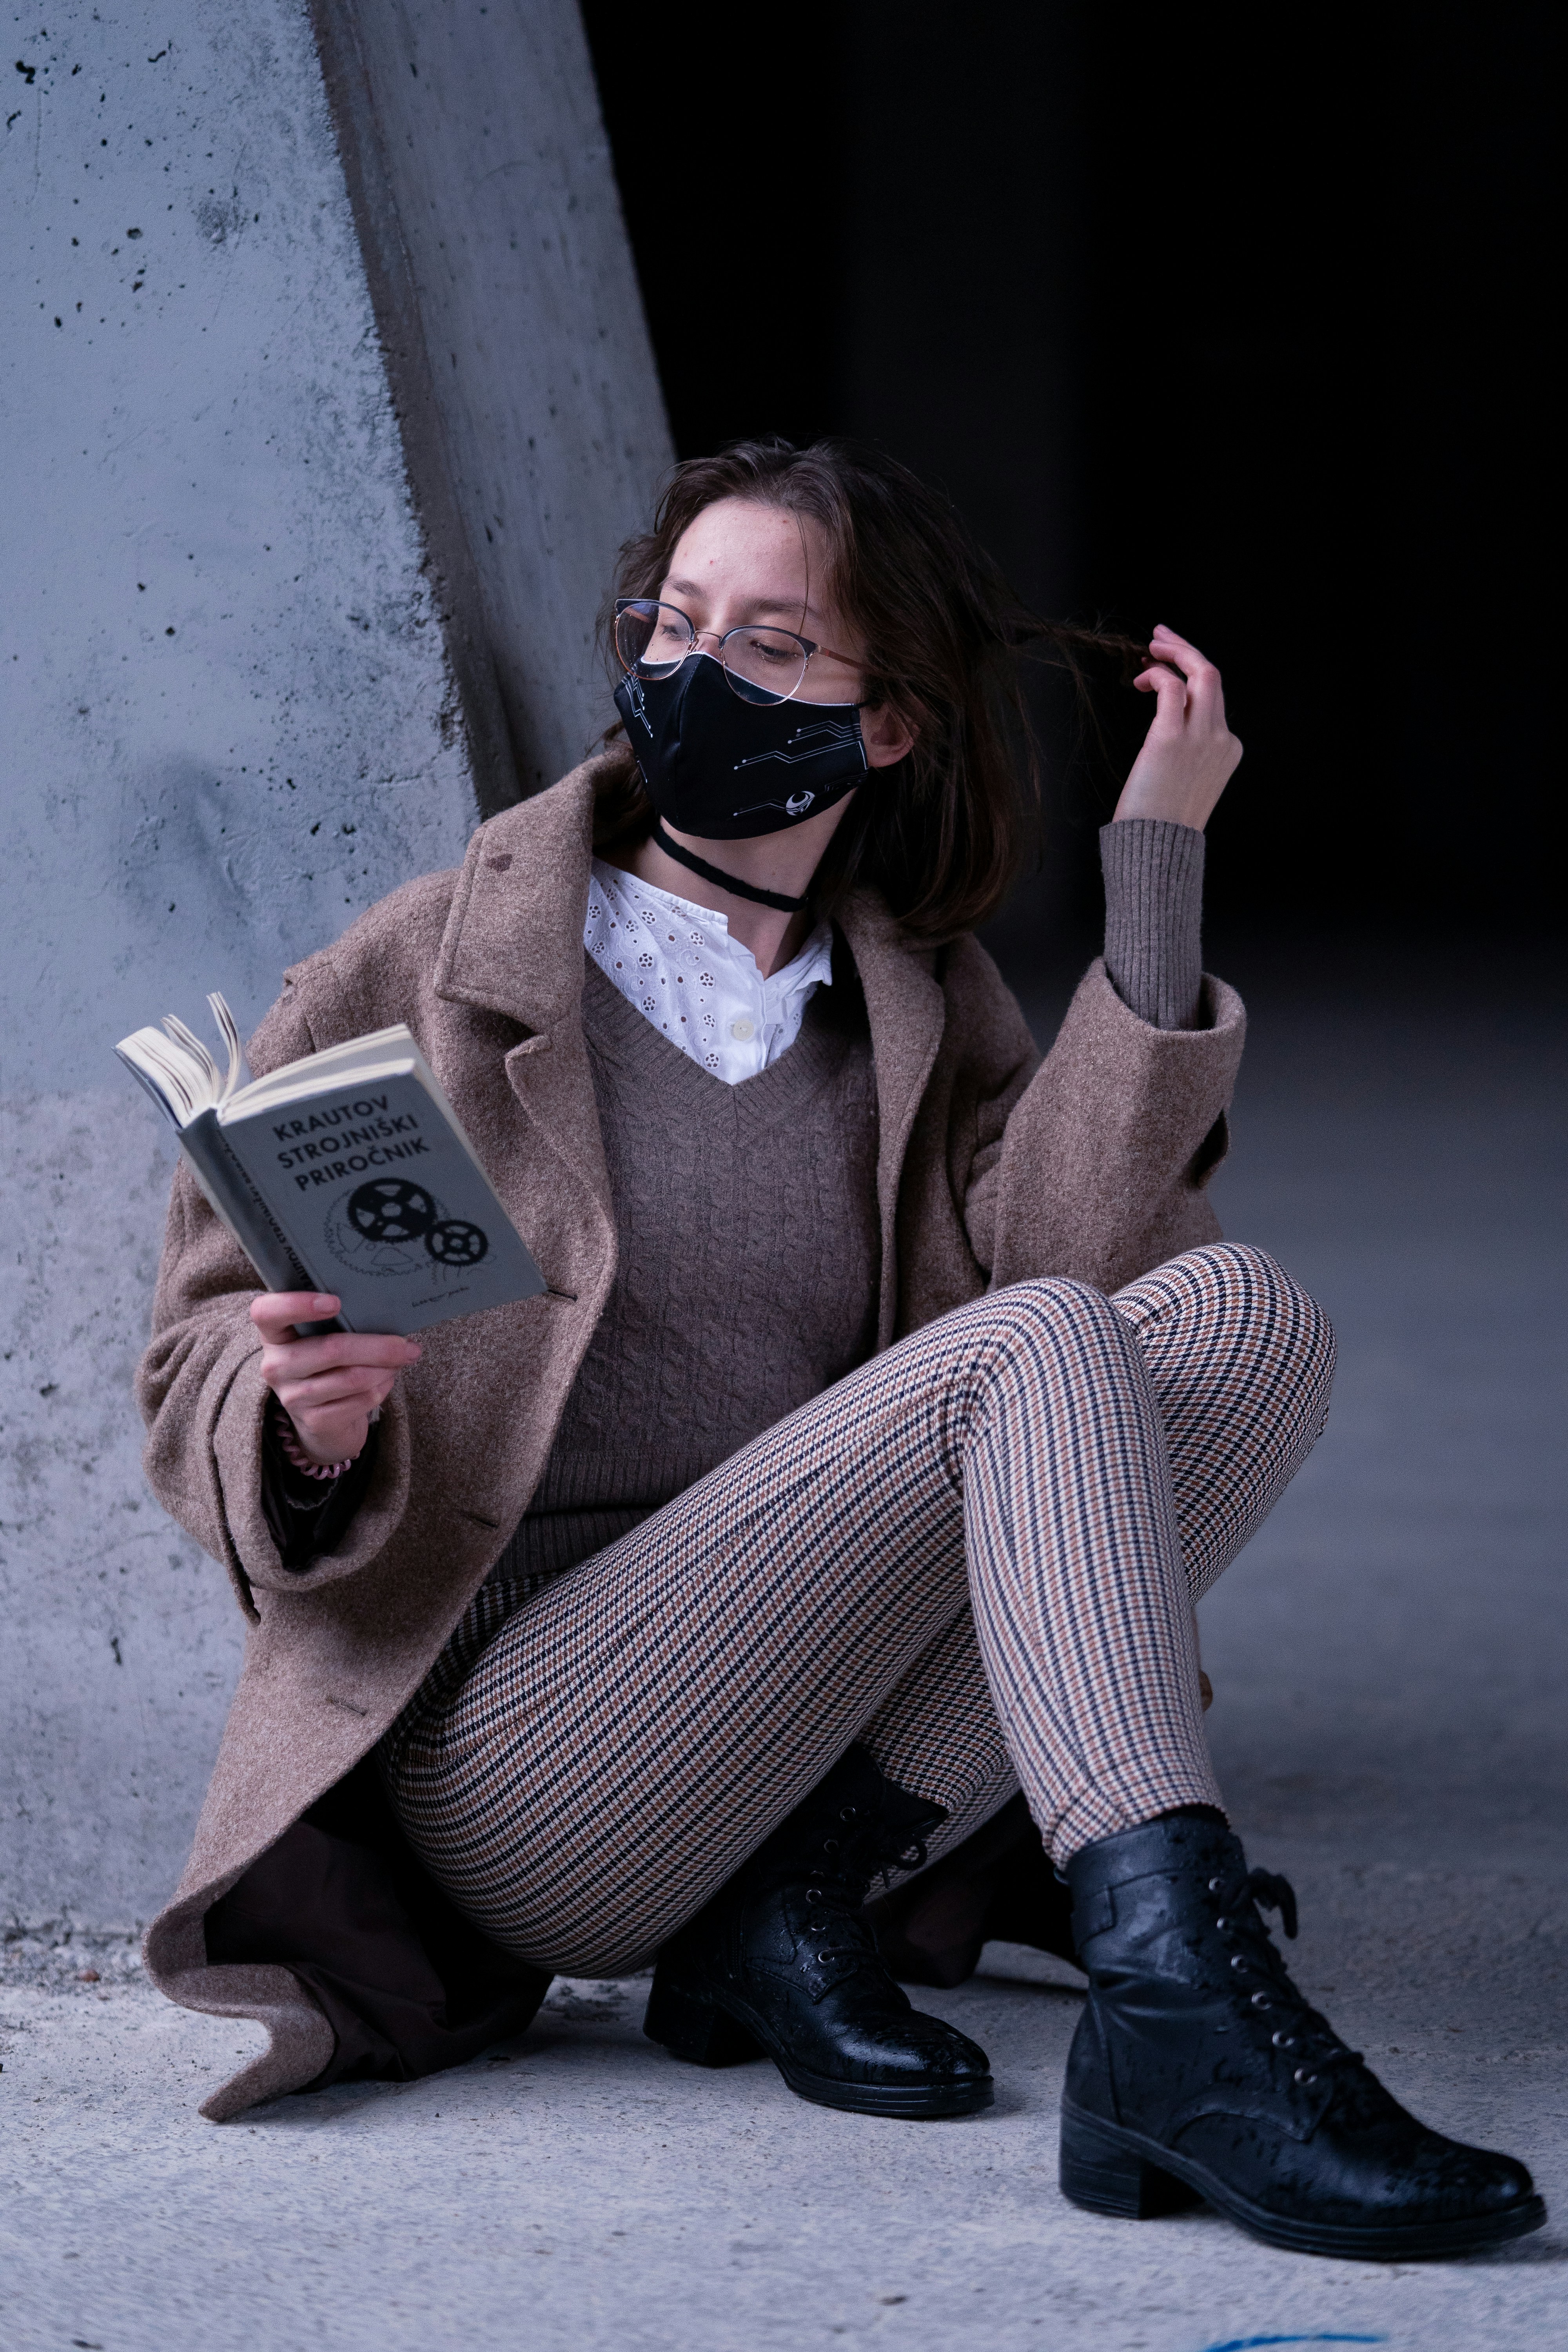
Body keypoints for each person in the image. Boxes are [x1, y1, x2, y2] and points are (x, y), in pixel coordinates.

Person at [138, 438, 1542, 2260]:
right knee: (1031, 1346)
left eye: (771, 645)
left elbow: (1085, 1284)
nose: (697, 674)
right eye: (673, 625)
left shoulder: (911, 1006)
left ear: (885, 722)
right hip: (522, 1762)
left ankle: (797, 1906)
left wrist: (1157, 864)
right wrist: (298, 1426)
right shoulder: (429, 964)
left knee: (1237, 1322)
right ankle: (1183, 2012)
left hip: (788, 1751)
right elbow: (194, 1351)